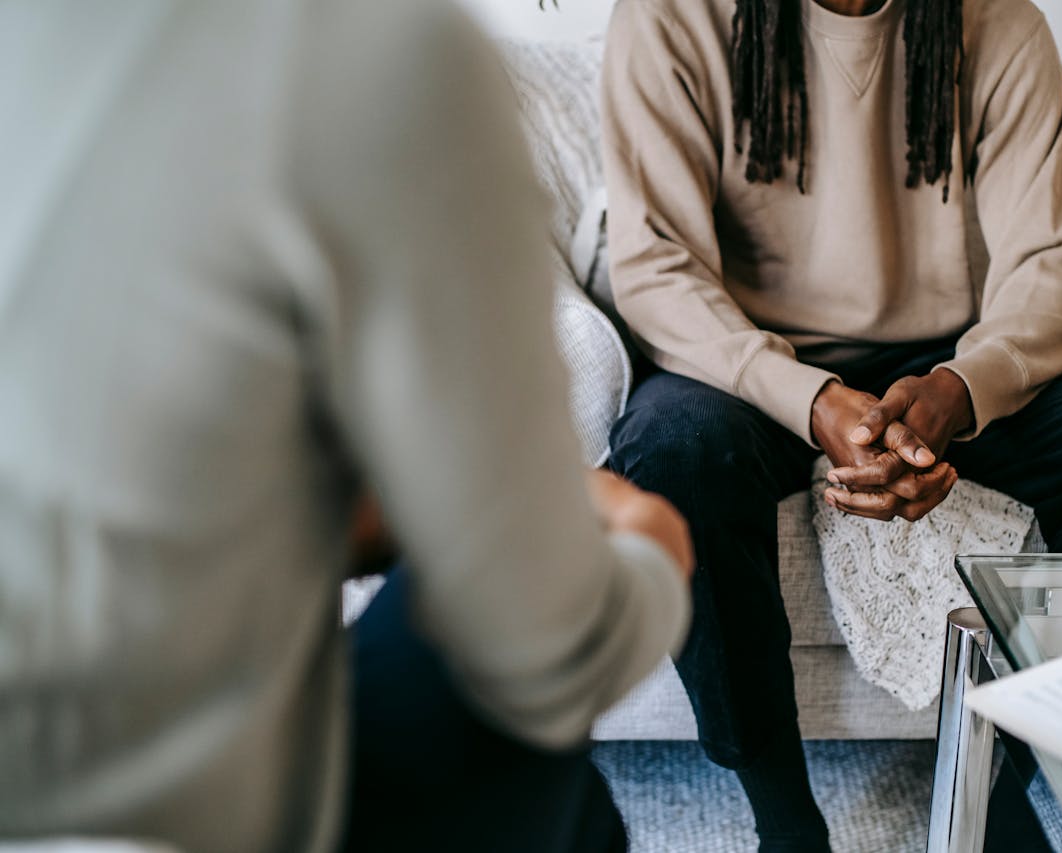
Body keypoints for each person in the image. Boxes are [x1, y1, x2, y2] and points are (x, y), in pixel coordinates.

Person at [0, 2, 692, 851]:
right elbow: (549, 651)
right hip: (164, 816)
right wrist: (651, 544)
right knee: (532, 747)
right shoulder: (375, 56)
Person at [599, 0, 1062, 849]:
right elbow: (656, 266)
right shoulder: (670, 18)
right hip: (746, 363)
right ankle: (785, 822)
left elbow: (1049, 270)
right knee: (672, 454)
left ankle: (1000, 788)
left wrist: (958, 391)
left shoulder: (999, 25)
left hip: (933, 366)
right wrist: (812, 399)